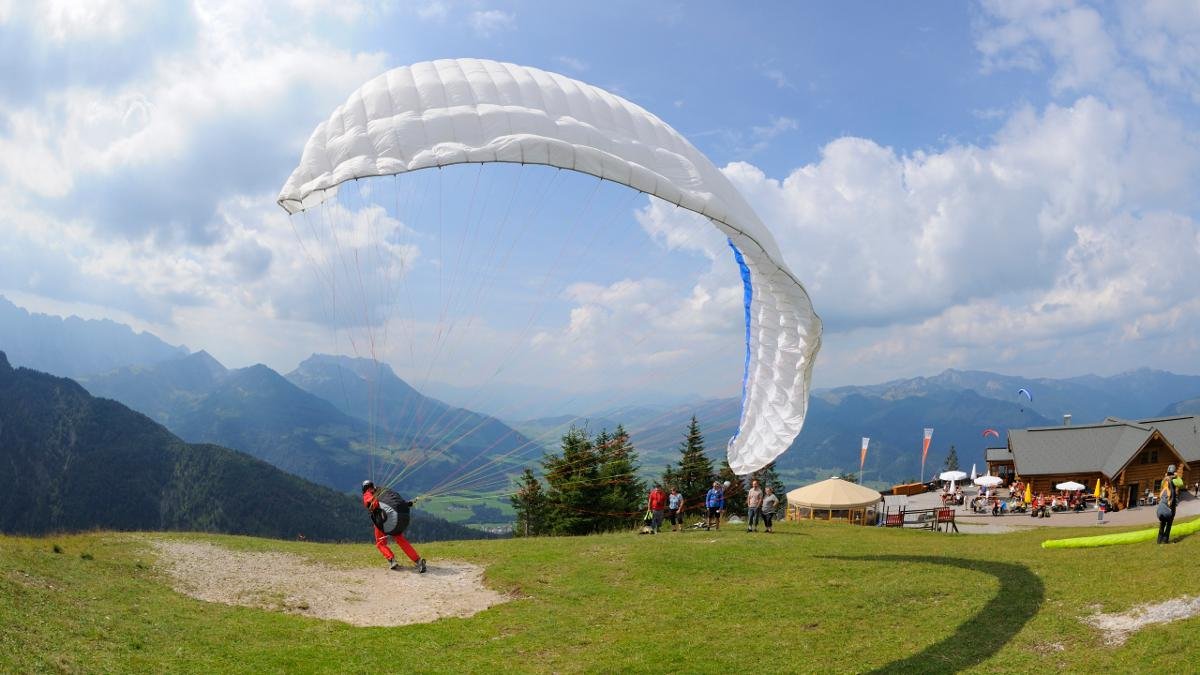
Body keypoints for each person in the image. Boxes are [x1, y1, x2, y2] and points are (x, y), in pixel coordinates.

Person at [362, 480, 426, 573]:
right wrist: (407, 503)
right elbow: (396, 500)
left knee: (380, 542)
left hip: (385, 519)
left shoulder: (367, 493)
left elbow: (373, 503)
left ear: (364, 488)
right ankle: (418, 561)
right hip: (399, 516)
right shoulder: (383, 490)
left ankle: (392, 560)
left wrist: (371, 505)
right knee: (400, 539)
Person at [1157, 465, 1180, 544]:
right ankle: (1165, 540)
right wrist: (1177, 476)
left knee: (1162, 523)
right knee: (1169, 524)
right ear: (1174, 472)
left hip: (1162, 506)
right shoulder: (1174, 480)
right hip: (1170, 506)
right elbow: (1181, 483)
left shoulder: (1163, 481)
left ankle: (1159, 541)